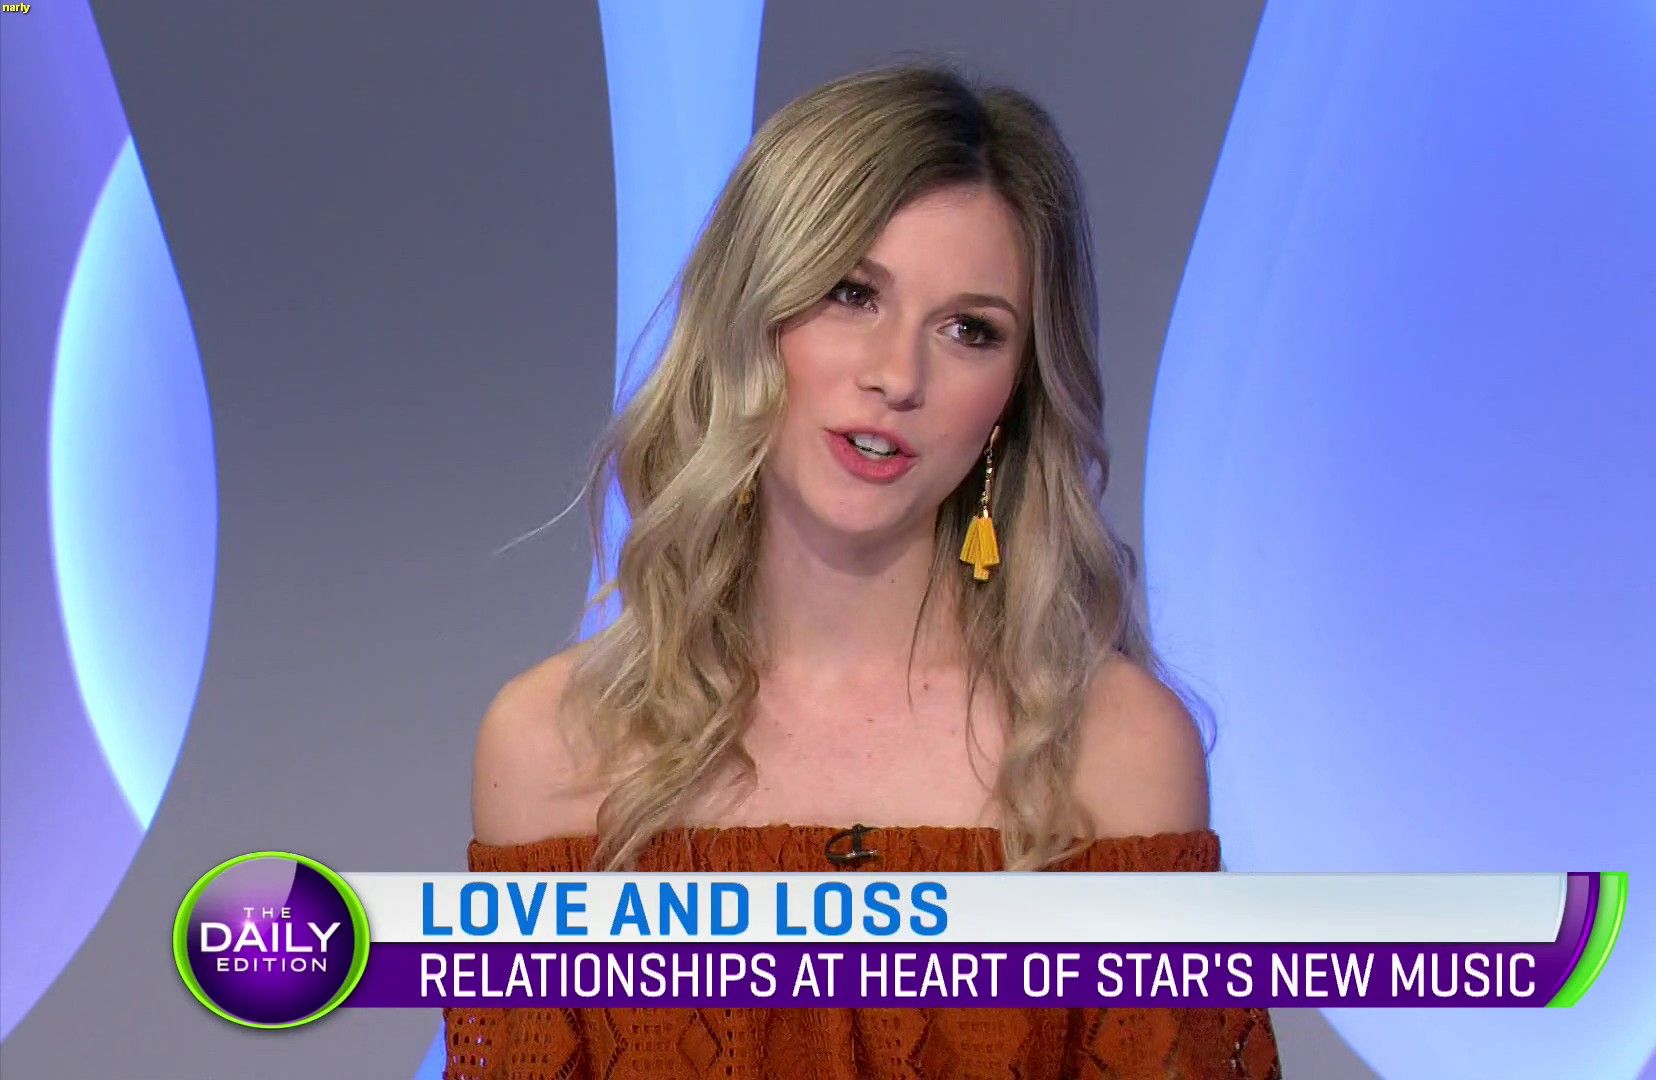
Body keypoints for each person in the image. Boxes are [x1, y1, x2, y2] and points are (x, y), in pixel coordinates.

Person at [443, 61, 1281, 1079]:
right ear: (750, 321)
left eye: (970, 330)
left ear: (1015, 395)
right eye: (852, 294)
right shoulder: (554, 750)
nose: (898, 376)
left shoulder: (1118, 754)